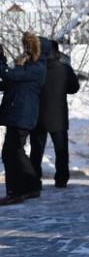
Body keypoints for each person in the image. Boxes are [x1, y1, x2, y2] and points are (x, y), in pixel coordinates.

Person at [0, 32, 47, 205]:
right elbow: (9, 81)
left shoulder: (36, 68)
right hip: (18, 115)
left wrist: (1, 62)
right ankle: (32, 186)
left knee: (10, 152)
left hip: (21, 116)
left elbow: (10, 76)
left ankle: (16, 191)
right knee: (17, 152)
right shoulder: (28, 67)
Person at [30, 38, 79, 189]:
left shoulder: (35, 69)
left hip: (38, 115)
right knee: (61, 150)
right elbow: (74, 88)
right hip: (59, 116)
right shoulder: (64, 69)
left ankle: (34, 179)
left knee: (36, 151)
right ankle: (61, 179)